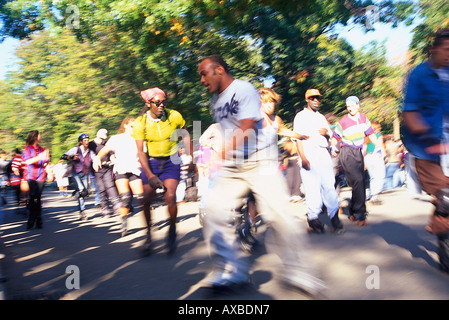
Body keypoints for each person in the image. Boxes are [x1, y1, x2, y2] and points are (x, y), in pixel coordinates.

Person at [198, 55, 325, 296]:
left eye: (204, 74)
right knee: (213, 213)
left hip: (258, 163)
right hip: (233, 167)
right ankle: (231, 271)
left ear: (219, 70)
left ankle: (299, 271)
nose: (202, 80)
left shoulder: (243, 89)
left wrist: (221, 152)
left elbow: (247, 125)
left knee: (281, 217)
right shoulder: (216, 100)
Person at [401, 28, 449, 273]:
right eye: (447, 50)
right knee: (446, 197)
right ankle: (445, 246)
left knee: (446, 200)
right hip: (426, 148)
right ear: (434, 48)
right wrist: (433, 139)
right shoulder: (418, 74)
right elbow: (410, 115)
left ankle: (439, 225)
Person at [133, 87, 189, 255]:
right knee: (146, 198)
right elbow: (141, 152)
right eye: (157, 103)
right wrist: (150, 175)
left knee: (170, 196)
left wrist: (190, 157)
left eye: (164, 102)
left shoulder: (174, 116)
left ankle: (172, 229)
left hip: (172, 159)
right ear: (148, 103)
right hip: (151, 161)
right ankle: (149, 234)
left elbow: (185, 134)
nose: (162, 106)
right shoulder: (140, 122)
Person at [293, 89, 344, 234]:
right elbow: (297, 139)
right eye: (313, 98)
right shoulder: (300, 116)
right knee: (312, 186)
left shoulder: (321, 117)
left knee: (329, 184)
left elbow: (331, 136)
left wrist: (326, 132)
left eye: (318, 98)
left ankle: (334, 216)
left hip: (323, 152)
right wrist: (303, 157)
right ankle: (313, 217)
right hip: (309, 152)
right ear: (307, 100)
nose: (316, 100)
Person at [331, 96, 381, 226]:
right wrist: (333, 148)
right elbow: (335, 137)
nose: (350, 108)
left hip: (358, 153)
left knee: (360, 181)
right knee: (358, 179)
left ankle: (353, 208)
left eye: (353, 105)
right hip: (346, 152)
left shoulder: (364, 119)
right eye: (348, 106)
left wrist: (379, 148)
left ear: (358, 105)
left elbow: (371, 134)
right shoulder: (342, 121)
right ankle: (361, 212)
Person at [94, 117, 145, 238]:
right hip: (121, 169)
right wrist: (97, 158)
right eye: (132, 126)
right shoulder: (116, 139)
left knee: (141, 197)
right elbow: (105, 150)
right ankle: (124, 222)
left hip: (135, 170)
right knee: (126, 198)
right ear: (126, 126)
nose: (134, 129)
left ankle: (148, 220)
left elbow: (145, 156)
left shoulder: (139, 139)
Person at [61, 133, 97, 220]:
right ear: (81, 142)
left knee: (84, 192)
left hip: (85, 174)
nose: (87, 142)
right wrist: (71, 157)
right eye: (84, 140)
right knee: (81, 190)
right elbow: (63, 156)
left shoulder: (90, 152)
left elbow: (95, 159)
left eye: (88, 140)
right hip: (76, 173)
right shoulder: (75, 149)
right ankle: (82, 211)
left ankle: (76, 194)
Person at [89, 128, 121, 217]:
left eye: (103, 139)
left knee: (110, 186)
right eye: (100, 138)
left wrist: (113, 160)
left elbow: (111, 155)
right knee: (101, 189)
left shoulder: (106, 145)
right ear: (97, 135)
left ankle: (116, 205)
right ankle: (105, 207)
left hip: (107, 168)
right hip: (96, 171)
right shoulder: (91, 145)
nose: (101, 140)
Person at [22, 130, 50, 229]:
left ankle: (36, 218)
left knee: (37, 197)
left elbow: (45, 163)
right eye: (39, 135)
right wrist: (39, 157)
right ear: (35, 137)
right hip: (31, 175)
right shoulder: (27, 149)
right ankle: (34, 217)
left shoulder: (43, 149)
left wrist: (49, 171)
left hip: (41, 175)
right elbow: (27, 161)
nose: (41, 136)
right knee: (33, 196)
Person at [363, 122, 386, 205]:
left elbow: (364, 148)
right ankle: (375, 195)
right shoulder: (378, 135)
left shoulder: (366, 137)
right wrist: (383, 155)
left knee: (372, 177)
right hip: (377, 156)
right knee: (380, 175)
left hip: (367, 157)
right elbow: (380, 145)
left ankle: (370, 194)